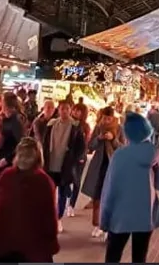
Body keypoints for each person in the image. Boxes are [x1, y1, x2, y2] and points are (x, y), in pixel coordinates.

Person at [0, 138, 60, 262]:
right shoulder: (44, 182)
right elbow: (49, 218)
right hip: (32, 250)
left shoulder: (7, 176)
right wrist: (51, 244)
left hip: (1, 247)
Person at [100, 112, 159, 263]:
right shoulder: (156, 154)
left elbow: (109, 189)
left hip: (120, 214)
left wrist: (104, 219)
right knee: (139, 256)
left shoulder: (119, 155)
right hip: (145, 213)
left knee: (113, 255)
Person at [40, 99, 87, 229]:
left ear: (70, 110)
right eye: (62, 109)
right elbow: (45, 144)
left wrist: (74, 158)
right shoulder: (51, 124)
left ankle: (58, 218)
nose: (64, 111)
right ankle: (49, 218)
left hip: (65, 166)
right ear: (58, 110)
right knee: (49, 193)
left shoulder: (75, 126)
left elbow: (81, 146)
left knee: (62, 193)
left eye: (67, 109)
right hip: (51, 164)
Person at [81, 106, 124, 239]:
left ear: (113, 118)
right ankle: (97, 224)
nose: (106, 121)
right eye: (104, 118)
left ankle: (108, 227)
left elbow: (123, 148)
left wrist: (112, 139)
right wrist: (99, 138)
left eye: (108, 118)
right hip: (99, 166)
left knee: (110, 198)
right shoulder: (98, 128)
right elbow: (90, 146)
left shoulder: (119, 129)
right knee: (97, 196)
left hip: (114, 167)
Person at [67, 102, 91, 217]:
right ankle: (66, 201)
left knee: (76, 181)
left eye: (78, 110)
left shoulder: (85, 126)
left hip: (79, 157)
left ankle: (71, 205)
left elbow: (86, 143)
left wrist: (81, 156)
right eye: (74, 110)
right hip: (67, 156)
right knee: (65, 180)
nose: (75, 112)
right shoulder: (68, 122)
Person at [0, 92, 26, 174]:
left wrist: (7, 159)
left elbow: (20, 143)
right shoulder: (5, 119)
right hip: (2, 158)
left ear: (5, 104)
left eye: (2, 102)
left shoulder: (16, 121)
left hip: (9, 162)